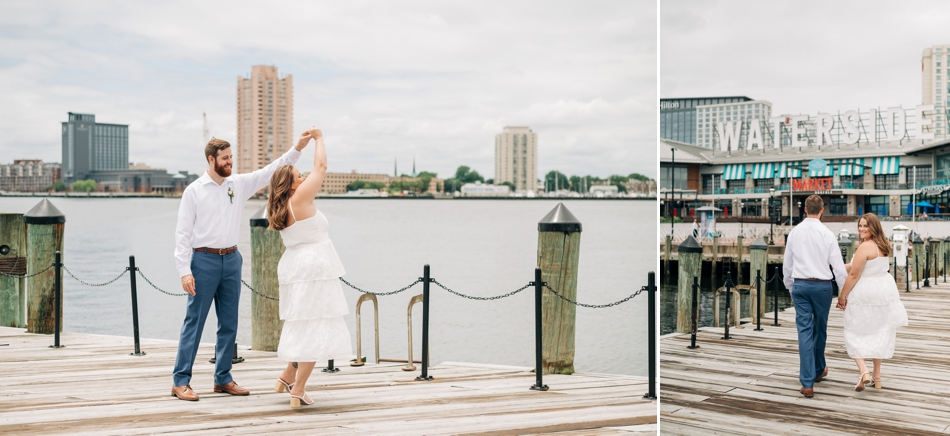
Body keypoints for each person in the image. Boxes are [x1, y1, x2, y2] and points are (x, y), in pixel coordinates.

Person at [170, 134, 308, 401]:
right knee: (194, 323)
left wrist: (297, 149)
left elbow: (271, 170)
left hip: (232, 260)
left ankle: (222, 378)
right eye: (225, 158)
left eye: (231, 157)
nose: (230, 162)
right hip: (203, 261)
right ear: (211, 160)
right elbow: (182, 235)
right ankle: (180, 381)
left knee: (229, 323)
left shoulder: (239, 184)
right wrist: (184, 271)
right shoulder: (194, 191)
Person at [267, 127, 352, 408]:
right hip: (312, 267)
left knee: (303, 323)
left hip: (293, 266)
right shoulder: (300, 199)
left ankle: (288, 374)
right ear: (292, 185)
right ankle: (298, 388)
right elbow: (321, 166)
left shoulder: (278, 206)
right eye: (298, 177)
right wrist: (319, 138)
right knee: (316, 326)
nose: (303, 179)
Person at [782, 195, 847, 398]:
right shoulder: (827, 234)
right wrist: (843, 294)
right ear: (821, 211)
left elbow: (787, 266)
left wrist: (791, 287)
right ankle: (817, 370)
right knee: (820, 328)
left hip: (801, 285)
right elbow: (838, 267)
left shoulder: (794, 233)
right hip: (822, 287)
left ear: (805, 211)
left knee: (804, 331)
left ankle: (809, 380)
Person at [837, 213, 908, 392]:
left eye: (865, 226)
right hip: (883, 291)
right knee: (878, 331)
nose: (861, 229)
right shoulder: (884, 245)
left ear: (873, 227)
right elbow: (861, 267)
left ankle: (863, 370)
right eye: (860, 226)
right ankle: (877, 376)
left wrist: (842, 296)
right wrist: (837, 266)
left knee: (854, 331)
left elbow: (854, 275)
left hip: (865, 293)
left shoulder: (865, 247)